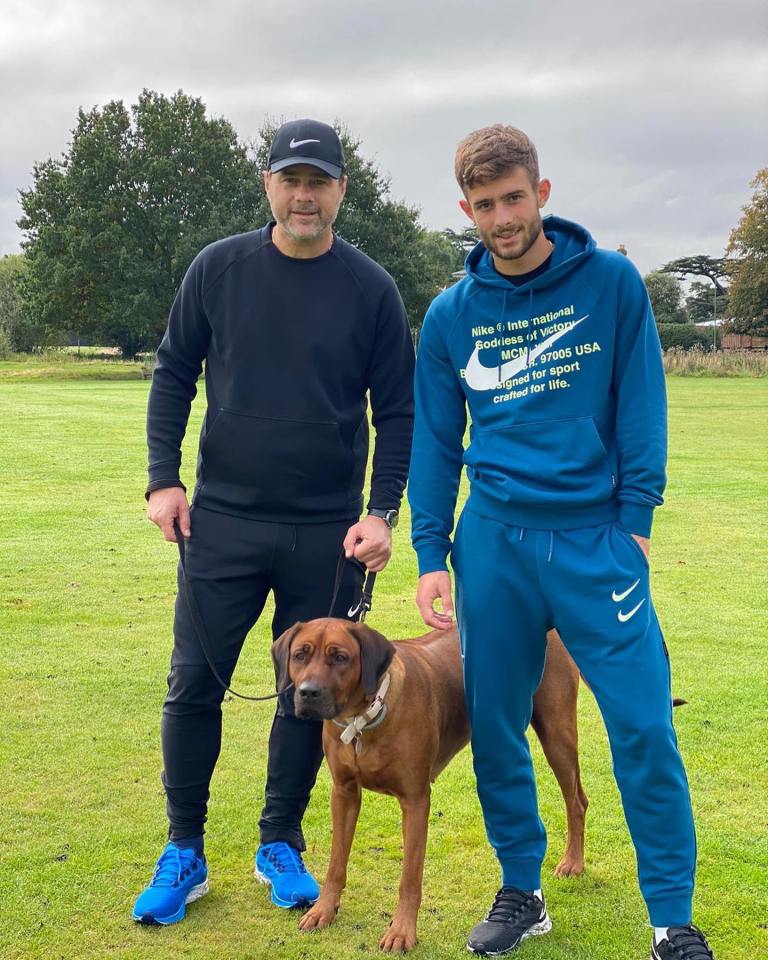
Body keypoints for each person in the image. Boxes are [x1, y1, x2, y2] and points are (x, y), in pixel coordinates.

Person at [408, 125, 715, 960]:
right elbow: (435, 444)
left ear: (542, 194)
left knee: (644, 726)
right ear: (466, 209)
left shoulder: (611, 284)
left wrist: (638, 522)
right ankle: (523, 891)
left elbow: (641, 405)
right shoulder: (450, 316)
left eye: (514, 198)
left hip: (594, 543)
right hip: (493, 548)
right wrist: (431, 553)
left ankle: (671, 921)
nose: (502, 217)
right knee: (499, 727)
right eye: (485, 204)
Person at [133, 118, 414, 925]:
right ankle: (184, 849)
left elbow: (397, 411)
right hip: (220, 520)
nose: (304, 195)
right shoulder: (218, 269)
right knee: (193, 684)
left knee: (314, 691)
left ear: (340, 193)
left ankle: (279, 841)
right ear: (268, 185)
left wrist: (381, 511)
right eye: (291, 180)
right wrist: (164, 483)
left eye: (319, 181)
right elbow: (173, 373)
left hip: (327, 531)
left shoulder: (371, 288)